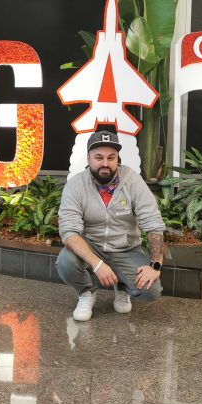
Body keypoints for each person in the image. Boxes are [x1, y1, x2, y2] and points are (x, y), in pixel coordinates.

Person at [56, 129, 166, 321]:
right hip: (92, 246)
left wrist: (155, 266)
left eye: (111, 157)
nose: (105, 163)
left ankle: (122, 287)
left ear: (117, 158)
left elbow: (154, 224)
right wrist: (98, 264)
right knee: (65, 262)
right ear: (88, 158)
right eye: (98, 157)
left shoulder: (132, 181)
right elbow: (69, 233)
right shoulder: (75, 186)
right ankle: (86, 292)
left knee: (151, 290)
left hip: (126, 249)